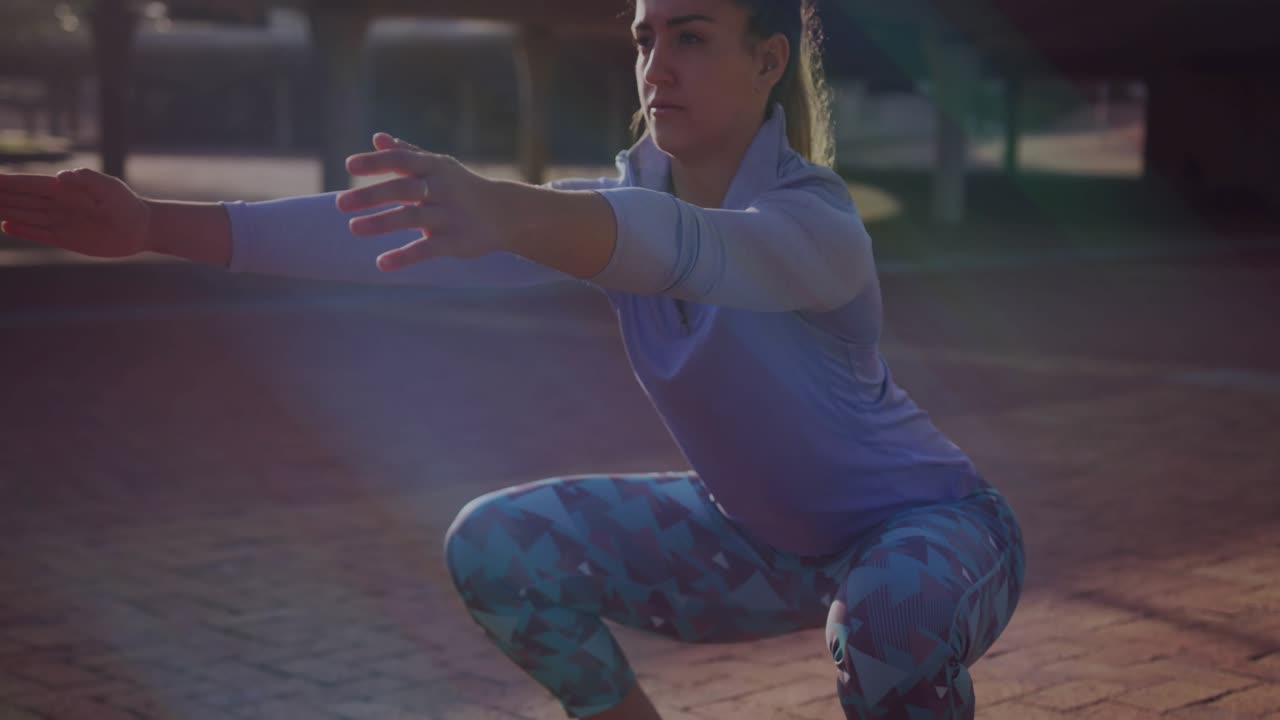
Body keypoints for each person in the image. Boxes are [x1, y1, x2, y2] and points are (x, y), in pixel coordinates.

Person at [0, 0, 1026, 717]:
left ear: (767, 61)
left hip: (927, 529)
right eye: (643, 36)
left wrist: (501, 209)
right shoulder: (602, 213)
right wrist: (147, 223)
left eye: (691, 36)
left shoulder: (816, 223)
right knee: (495, 547)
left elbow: (683, 248)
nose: (654, 63)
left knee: (890, 623)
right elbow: (380, 237)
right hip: (753, 543)